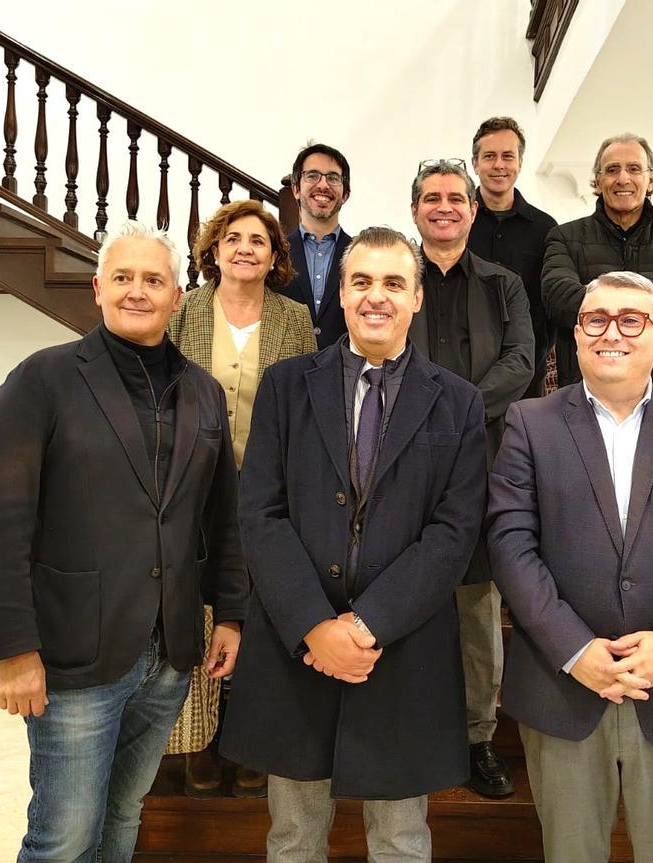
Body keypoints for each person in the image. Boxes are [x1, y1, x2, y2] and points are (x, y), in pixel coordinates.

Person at [0, 220, 246, 863]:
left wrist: (231, 613)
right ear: (98, 288)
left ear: (177, 296)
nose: (137, 291)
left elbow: (222, 517)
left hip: (170, 655)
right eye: (123, 277)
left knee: (124, 815)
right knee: (63, 838)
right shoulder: (42, 379)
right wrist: (13, 649)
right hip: (72, 653)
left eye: (153, 280)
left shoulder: (203, 392)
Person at [220, 227, 487, 862]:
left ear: (416, 297)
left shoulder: (459, 402)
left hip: (399, 645)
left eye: (394, 283)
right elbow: (261, 512)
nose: (376, 296)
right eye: (361, 281)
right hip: (299, 645)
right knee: (293, 837)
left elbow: (453, 532)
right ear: (340, 293)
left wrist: (365, 626)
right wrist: (316, 626)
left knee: (400, 840)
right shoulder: (285, 386)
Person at [487, 271, 653, 863]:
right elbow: (510, 545)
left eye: (631, 320)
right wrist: (573, 649)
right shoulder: (529, 422)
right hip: (563, 689)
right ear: (576, 335)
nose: (612, 332)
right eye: (596, 319)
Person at [164, 199, 316, 798]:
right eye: (234, 239)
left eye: (258, 240)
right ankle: (200, 740)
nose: (245, 249)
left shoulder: (294, 318)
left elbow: (304, 405)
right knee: (202, 609)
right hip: (194, 486)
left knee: (261, 610)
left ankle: (251, 739)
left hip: (268, 487)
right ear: (214, 250)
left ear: (275, 256)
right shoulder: (186, 310)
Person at [409, 158, 534, 798]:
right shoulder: (398, 277)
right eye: (432, 198)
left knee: (477, 606)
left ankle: (477, 735)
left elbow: (521, 360)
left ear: (473, 209)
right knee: (403, 594)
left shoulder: (503, 284)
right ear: (415, 211)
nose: (445, 207)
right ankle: (409, 730)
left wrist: (459, 410)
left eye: (455, 198)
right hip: (402, 459)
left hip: (483, 458)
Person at [542, 133, 653, 394]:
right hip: (584, 391)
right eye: (612, 170)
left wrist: (595, 289)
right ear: (598, 179)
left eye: (634, 169)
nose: (623, 179)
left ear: (651, 178)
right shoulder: (565, 237)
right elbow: (558, 300)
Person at [467, 116, 557, 397]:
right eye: (489, 156)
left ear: (520, 162)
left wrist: (538, 354)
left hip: (526, 374)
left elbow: (549, 303)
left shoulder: (545, 229)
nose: (499, 165)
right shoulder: (457, 224)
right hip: (466, 371)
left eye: (508, 156)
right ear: (475, 164)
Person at [279, 143, 354, 350]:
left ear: (345, 194)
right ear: (296, 189)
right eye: (312, 176)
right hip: (287, 365)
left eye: (333, 178)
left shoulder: (360, 254)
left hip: (345, 365)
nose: (323, 185)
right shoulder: (275, 253)